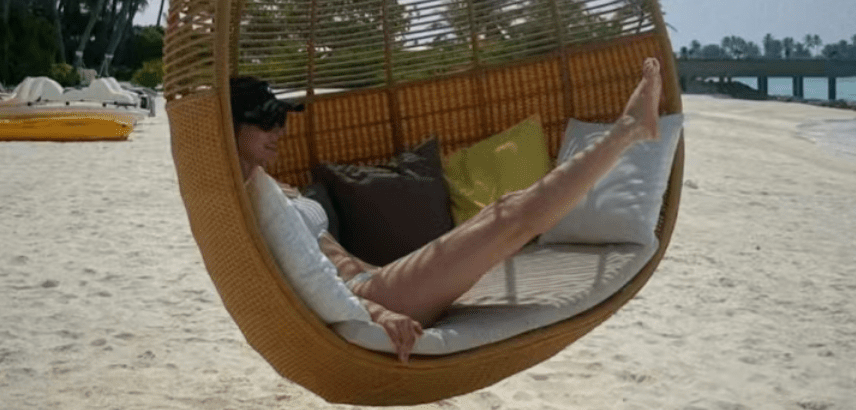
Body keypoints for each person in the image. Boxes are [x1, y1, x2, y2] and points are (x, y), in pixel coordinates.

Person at [231, 58, 664, 363]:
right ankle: (628, 130)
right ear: (231, 126)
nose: (279, 131)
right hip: (375, 296)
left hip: (380, 278)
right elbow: (307, 282)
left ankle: (629, 130)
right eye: (265, 121)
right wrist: (378, 313)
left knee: (498, 217)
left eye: (280, 120)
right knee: (510, 219)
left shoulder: (269, 183)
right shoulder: (246, 193)